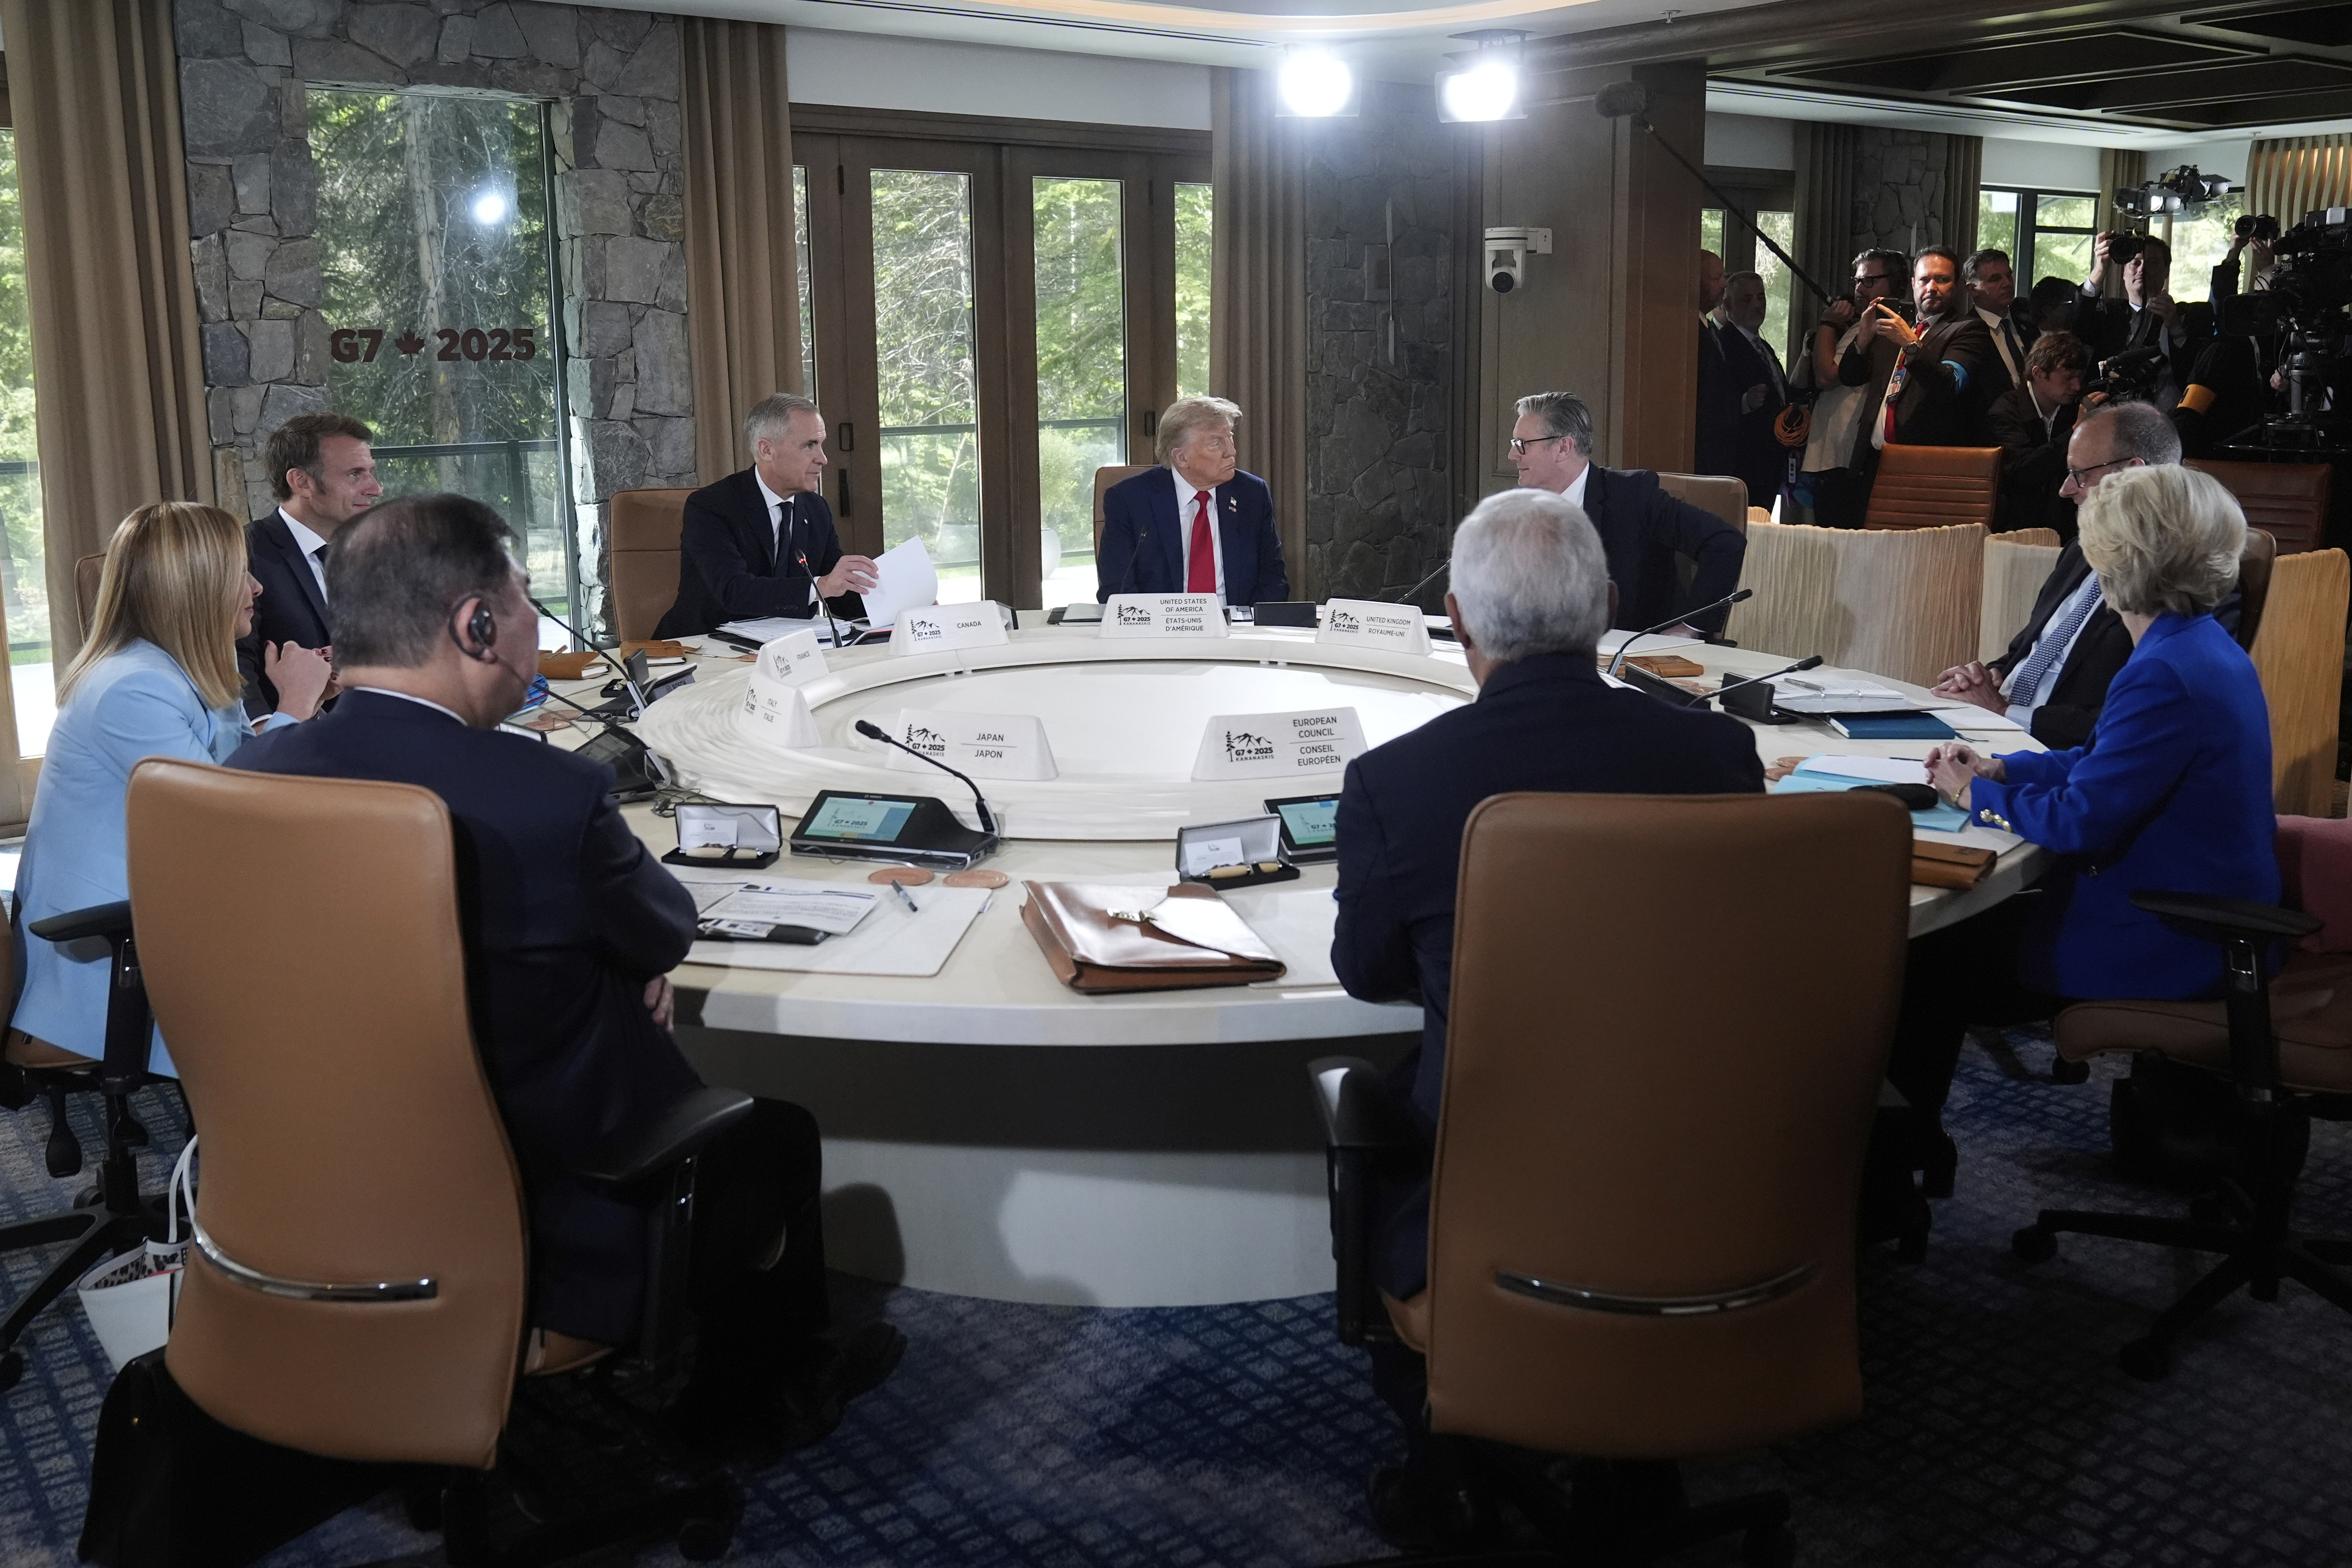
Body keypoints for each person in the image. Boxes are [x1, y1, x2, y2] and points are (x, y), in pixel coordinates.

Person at [232, 494, 902, 1452]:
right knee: (775, 1134)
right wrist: (611, 953)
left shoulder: (260, 775)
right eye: (525, 606)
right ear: (475, 624)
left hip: (317, 1197)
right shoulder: (545, 791)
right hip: (547, 1211)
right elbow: (666, 930)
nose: (530, 629)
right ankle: (752, 1411)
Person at [1329, 487, 1762, 1548]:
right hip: (1716, 1174)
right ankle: (1635, 1455)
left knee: (1371, 1104)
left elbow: (1366, 970)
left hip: (1496, 1195)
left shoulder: (1396, 783)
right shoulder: (1718, 757)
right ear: (1609, 603)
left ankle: (1446, 1458)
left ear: (1460, 622)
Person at [1893, 463, 2273, 1173]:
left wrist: (1965, 791)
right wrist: (2004, 769)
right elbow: (2103, 763)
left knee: (1927, 956)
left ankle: (1895, 1159)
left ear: (2115, 559)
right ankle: (1901, 1152)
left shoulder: (2160, 669)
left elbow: (2076, 824)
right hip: (2202, 908)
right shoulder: (2193, 646)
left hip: (2171, 929)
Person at [13, 504, 331, 1071]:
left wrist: (302, 704)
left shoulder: (177, 669)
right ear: (194, 588)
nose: (257, 587)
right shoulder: (133, 688)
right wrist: (294, 708)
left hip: (160, 886)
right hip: (106, 935)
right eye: (241, 573)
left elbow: (227, 773)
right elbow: (220, 819)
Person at [1931, 402, 2180, 749]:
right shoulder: (2081, 550)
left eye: (2080, 474)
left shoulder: (2186, 578)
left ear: (2133, 473)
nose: (2066, 489)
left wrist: (2004, 713)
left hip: (2053, 754)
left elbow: (2139, 726)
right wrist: (1983, 679)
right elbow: (2026, 653)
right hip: (1991, 728)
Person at [1508, 390, 1745, 637]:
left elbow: (1724, 542)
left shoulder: (1632, 497)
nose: (1512, 455)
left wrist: (1690, 627)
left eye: (1522, 445)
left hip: (1628, 656)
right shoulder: (1520, 510)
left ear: (1563, 448)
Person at [655, 393, 878, 639]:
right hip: (704, 647)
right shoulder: (711, 506)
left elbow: (839, 597)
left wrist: (901, 606)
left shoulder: (816, 509)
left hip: (789, 649)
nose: (823, 459)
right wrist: (822, 586)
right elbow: (734, 591)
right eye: (809, 445)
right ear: (767, 450)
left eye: (821, 445)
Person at [238, 411, 380, 716]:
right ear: (301, 482)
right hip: (295, 750)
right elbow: (235, 660)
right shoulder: (245, 552)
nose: (375, 488)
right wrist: (263, 732)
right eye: (355, 474)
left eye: (371, 471)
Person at [1094, 395, 1288, 606]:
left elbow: (1273, 581)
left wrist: (1248, 629)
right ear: (1181, 458)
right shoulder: (1129, 501)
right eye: (1216, 444)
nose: (1231, 452)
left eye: (1230, 438)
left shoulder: (1251, 493)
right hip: (1162, 629)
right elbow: (1118, 589)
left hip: (1236, 629)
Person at [1840, 247, 1995, 468]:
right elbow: (1850, 377)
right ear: (1914, 284)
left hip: (1925, 464)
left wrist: (1911, 344)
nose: (1932, 288)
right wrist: (1862, 340)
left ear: (1958, 286)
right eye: (1924, 280)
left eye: (1942, 280)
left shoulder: (1969, 330)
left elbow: (1948, 386)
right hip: (1873, 459)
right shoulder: (1894, 327)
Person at [1792, 248, 1908, 529]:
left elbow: (1827, 376)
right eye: (1857, 281)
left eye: (1869, 281)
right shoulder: (1860, 325)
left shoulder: (1881, 326)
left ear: (1895, 283)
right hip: (1836, 456)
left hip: (1845, 457)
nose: (1859, 289)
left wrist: (1828, 324)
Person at [1698, 269, 1790, 511]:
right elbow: (1715, 400)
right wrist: (1745, 402)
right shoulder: (1723, 345)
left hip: (1769, 459)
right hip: (1744, 461)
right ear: (1728, 305)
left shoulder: (1764, 346)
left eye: (1761, 298)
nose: (1757, 305)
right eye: (1747, 300)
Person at [2077, 232, 2199, 410]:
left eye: (2153, 262)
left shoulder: (2185, 316)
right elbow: (2076, 325)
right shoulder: (2107, 313)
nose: (2143, 269)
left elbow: (2194, 372)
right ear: (2124, 273)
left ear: (2167, 271)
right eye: (2136, 263)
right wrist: (2099, 270)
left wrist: (2174, 326)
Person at [1985, 331, 2089, 536]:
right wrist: (2077, 430)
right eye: (2068, 378)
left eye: (2079, 378)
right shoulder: (2005, 411)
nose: (2077, 386)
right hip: (2017, 528)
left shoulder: (2074, 407)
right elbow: (2023, 472)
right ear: (2039, 373)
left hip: (2069, 527)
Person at [1966, 247, 2030, 404]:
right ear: (1973, 289)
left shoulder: (2028, 326)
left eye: (2009, 276)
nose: (2007, 284)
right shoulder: (1965, 332)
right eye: (1995, 279)